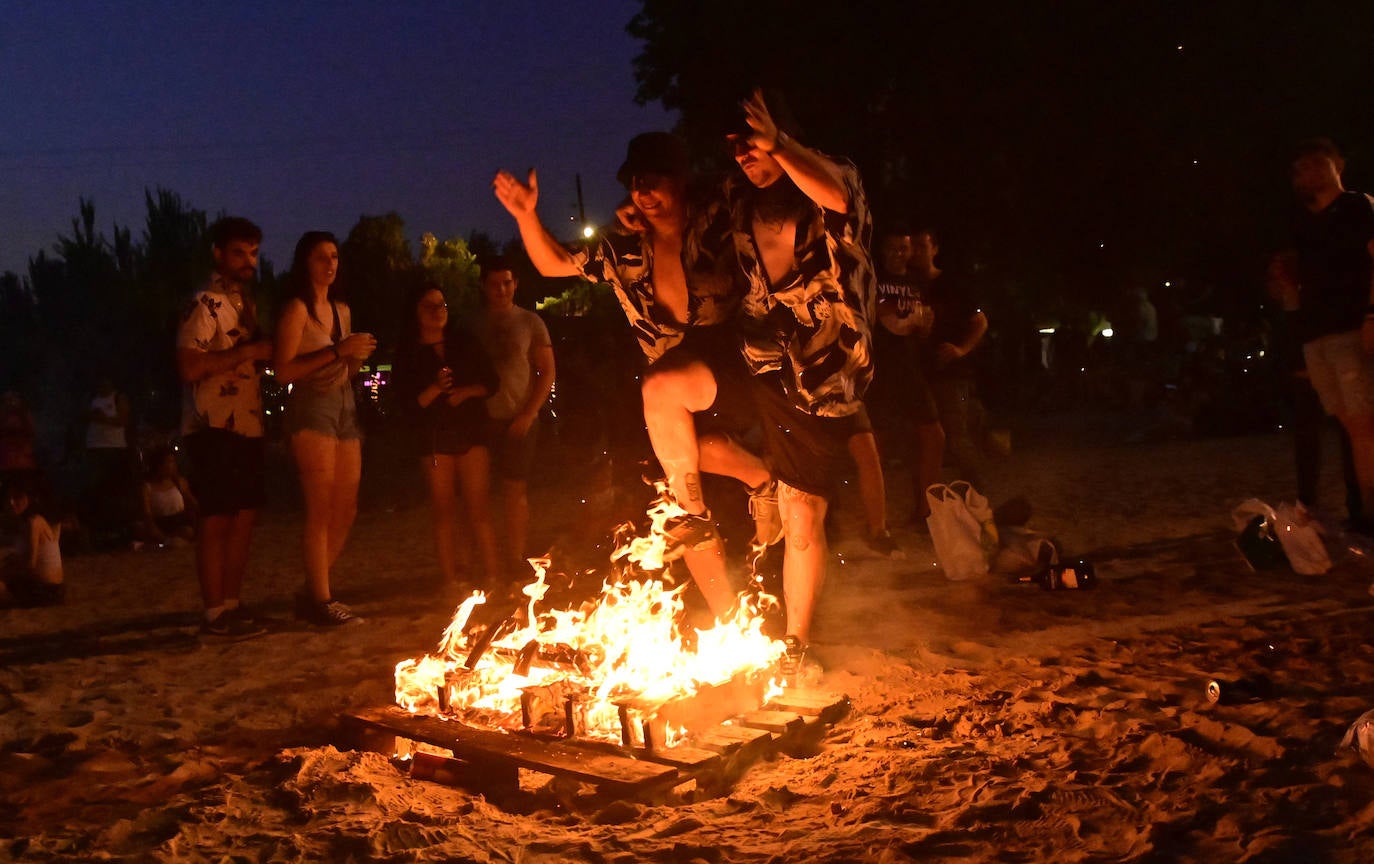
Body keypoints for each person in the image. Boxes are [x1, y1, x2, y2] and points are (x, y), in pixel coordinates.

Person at [492, 133, 774, 620]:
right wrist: (525, 216)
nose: (643, 191)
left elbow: (758, 188)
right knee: (682, 477)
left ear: (680, 181)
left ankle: (702, 510)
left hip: (734, 366)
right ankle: (731, 613)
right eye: (635, 182)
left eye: (654, 180)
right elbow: (555, 264)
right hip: (671, 390)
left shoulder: (718, 218)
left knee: (678, 468)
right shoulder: (623, 244)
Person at [666, 88, 872, 675]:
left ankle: (796, 644)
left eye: (751, 141)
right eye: (734, 146)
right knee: (675, 416)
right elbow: (679, 225)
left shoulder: (835, 177)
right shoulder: (736, 198)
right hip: (754, 358)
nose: (743, 155)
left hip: (822, 372)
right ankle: (758, 480)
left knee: (804, 512)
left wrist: (780, 146)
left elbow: (835, 196)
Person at [273, 231, 377, 626]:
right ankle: (321, 599)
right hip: (312, 408)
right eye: (321, 257)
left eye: (334, 257)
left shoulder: (341, 309)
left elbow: (344, 370)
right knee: (319, 508)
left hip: (344, 405)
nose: (330, 264)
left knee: (346, 507)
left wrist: (357, 357)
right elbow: (283, 372)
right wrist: (337, 350)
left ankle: (312, 588)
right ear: (305, 262)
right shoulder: (297, 310)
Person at [177, 216, 274, 639]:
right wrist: (247, 352)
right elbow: (189, 365)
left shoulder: (244, 305)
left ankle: (232, 606)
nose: (248, 260)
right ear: (219, 253)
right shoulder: (204, 303)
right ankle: (214, 613)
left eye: (253, 252)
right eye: (239, 252)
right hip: (212, 425)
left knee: (244, 517)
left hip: (247, 424)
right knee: (216, 519)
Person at [1289, 138, 1374, 529]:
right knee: (1349, 423)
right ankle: (1364, 509)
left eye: (1317, 161)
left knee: (1362, 424)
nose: (1310, 169)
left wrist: (1371, 316)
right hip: (1318, 334)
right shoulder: (1306, 226)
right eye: (1303, 166)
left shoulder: (1357, 207)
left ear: (1337, 165)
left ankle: (1370, 512)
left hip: (1349, 326)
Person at [393, 283, 500, 589]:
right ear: (416, 312)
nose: (437, 312)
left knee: (478, 507)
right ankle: (452, 578)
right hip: (434, 437)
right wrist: (436, 389)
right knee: (444, 510)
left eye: (442, 305)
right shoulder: (409, 352)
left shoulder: (464, 342)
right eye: (429, 306)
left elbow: (492, 382)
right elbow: (407, 404)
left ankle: (492, 574)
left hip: (470, 430)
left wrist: (466, 392)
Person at [470, 258, 555, 580]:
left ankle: (515, 557)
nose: (501, 289)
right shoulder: (472, 323)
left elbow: (546, 371)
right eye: (494, 283)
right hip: (481, 419)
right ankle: (485, 559)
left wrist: (529, 414)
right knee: (479, 494)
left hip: (519, 417)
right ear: (483, 285)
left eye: (507, 282)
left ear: (515, 283)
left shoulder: (531, 323)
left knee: (514, 491)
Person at [1266, 251, 1361, 522]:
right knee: (1308, 439)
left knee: (1349, 433)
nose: (1277, 279)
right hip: (1303, 370)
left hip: (1320, 365)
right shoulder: (1284, 304)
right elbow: (1286, 337)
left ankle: (1356, 501)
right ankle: (1308, 502)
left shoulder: (1311, 299)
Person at [868, 225, 945, 529]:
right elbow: (882, 319)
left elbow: (919, 327)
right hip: (880, 370)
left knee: (933, 435)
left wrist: (923, 324)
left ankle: (926, 511)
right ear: (883, 251)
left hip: (910, 369)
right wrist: (904, 318)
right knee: (878, 445)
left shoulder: (916, 282)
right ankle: (877, 521)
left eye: (904, 248)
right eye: (892, 248)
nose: (898, 254)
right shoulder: (874, 279)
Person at [912, 228, 990, 491]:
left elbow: (979, 322)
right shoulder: (907, 286)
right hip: (919, 373)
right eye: (914, 247)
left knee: (958, 438)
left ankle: (978, 497)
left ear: (935, 249)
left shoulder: (951, 285)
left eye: (923, 246)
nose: (917, 253)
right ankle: (925, 504)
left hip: (951, 374)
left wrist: (961, 349)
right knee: (922, 440)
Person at [0, 475, 64, 608]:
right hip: (53, 588)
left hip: (45, 590)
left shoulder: (34, 522)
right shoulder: (36, 521)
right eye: (10, 498)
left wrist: (8, 571)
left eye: (17, 497)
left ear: (30, 498)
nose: (12, 502)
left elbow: (31, 564)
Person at [83, 375, 133, 544]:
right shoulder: (92, 398)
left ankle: (116, 527)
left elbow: (124, 420)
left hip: (113, 448)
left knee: (113, 488)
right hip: (94, 448)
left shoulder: (118, 398)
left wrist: (103, 418)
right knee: (96, 490)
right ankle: (98, 528)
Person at [135, 445, 198, 548]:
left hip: (178, 522)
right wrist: (154, 529)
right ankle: (165, 541)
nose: (171, 465)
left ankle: (166, 542)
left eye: (173, 462)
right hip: (158, 522)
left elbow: (193, 503)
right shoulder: (147, 487)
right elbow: (147, 514)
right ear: (158, 465)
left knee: (187, 531)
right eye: (168, 462)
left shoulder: (179, 482)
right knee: (140, 528)